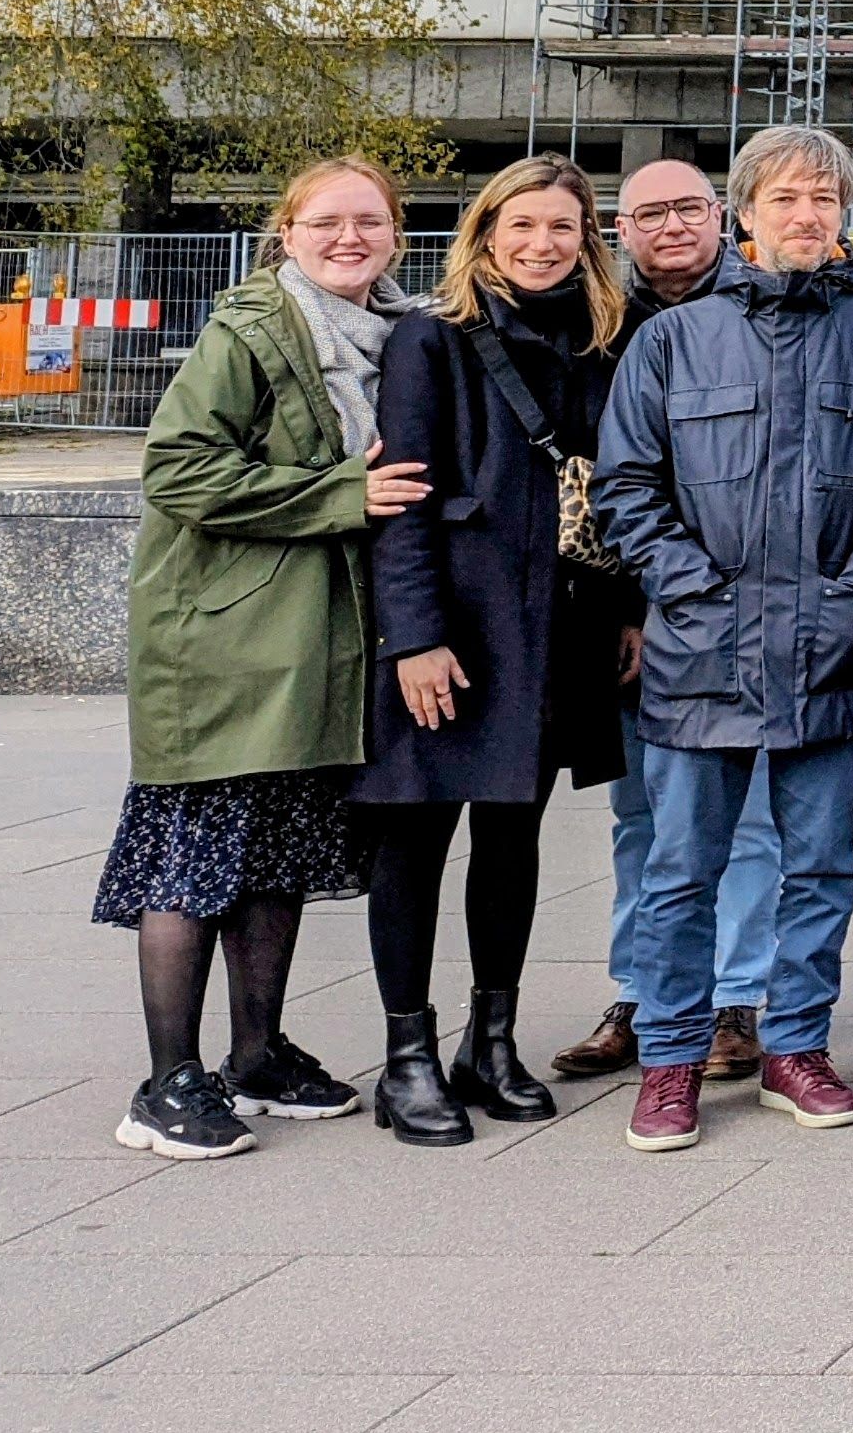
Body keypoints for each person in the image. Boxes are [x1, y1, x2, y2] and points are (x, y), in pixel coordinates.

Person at [593, 125, 853, 1153]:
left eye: (826, 199)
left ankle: (794, 1045)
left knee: (820, 866)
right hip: (698, 654)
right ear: (744, 213)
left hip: (835, 653)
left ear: (846, 215)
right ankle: (669, 1059)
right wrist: (686, 587)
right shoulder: (674, 341)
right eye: (787, 198)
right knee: (679, 869)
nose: (808, 216)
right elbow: (626, 484)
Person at [98, 159, 425, 1158]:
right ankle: (165, 1083)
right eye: (325, 222)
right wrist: (337, 493)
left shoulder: (396, 330)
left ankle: (256, 1055)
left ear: (396, 235)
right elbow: (180, 468)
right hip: (228, 642)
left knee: (274, 857)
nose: (347, 238)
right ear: (287, 233)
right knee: (194, 864)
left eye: (367, 222)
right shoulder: (251, 329)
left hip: (314, 640)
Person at [355, 156, 630, 1146]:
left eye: (562, 228)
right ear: (484, 235)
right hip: (457, 633)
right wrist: (415, 636)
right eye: (521, 227)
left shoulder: (604, 340)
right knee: (415, 839)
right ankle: (407, 1058)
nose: (542, 244)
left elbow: (622, 492)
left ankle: (491, 1041)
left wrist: (628, 612)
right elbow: (403, 501)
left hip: (555, 631)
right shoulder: (433, 338)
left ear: (586, 240)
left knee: (512, 842)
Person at [551, 153, 781, 1086]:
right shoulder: (599, 324)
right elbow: (606, 481)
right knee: (641, 813)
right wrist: (632, 604)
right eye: (649, 214)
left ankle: (737, 999)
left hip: (753, 606)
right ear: (623, 229)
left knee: (751, 815)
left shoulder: (768, 307)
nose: (671, 227)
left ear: (721, 214)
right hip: (640, 608)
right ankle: (645, 994)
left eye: (689, 208)